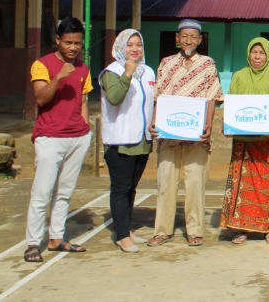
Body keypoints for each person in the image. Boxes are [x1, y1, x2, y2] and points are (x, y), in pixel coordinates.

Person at [147, 19, 223, 248]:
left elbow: (212, 96)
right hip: (168, 135)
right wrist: (154, 121)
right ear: (177, 38)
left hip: (196, 135)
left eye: (193, 37)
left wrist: (208, 125)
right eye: (184, 36)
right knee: (166, 183)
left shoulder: (207, 64)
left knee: (195, 183)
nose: (189, 41)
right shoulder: (166, 63)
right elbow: (159, 96)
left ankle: (195, 230)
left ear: (200, 40)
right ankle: (162, 231)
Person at [23, 17, 92, 263]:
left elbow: (83, 101)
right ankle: (33, 243)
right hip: (50, 137)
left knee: (65, 191)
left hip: (77, 137)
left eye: (77, 43)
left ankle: (56, 237)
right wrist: (59, 77)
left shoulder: (83, 68)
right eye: (68, 42)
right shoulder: (42, 65)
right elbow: (41, 98)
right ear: (57, 41)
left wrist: (85, 129)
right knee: (42, 192)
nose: (73, 47)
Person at [220, 37, 269, 245]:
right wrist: (229, 124)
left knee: (265, 185)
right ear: (248, 54)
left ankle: (266, 228)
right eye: (254, 52)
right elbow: (232, 104)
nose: (257, 57)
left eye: (262, 53)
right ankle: (244, 229)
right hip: (243, 142)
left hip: (266, 142)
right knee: (243, 186)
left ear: (268, 55)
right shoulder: (239, 76)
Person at [100, 29, 155, 253]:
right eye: (129, 45)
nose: (134, 49)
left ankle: (126, 228)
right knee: (121, 188)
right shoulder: (111, 72)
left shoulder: (148, 71)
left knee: (132, 188)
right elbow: (114, 98)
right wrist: (127, 74)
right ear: (120, 47)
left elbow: (152, 101)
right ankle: (122, 236)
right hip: (120, 140)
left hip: (142, 139)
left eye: (138, 45)